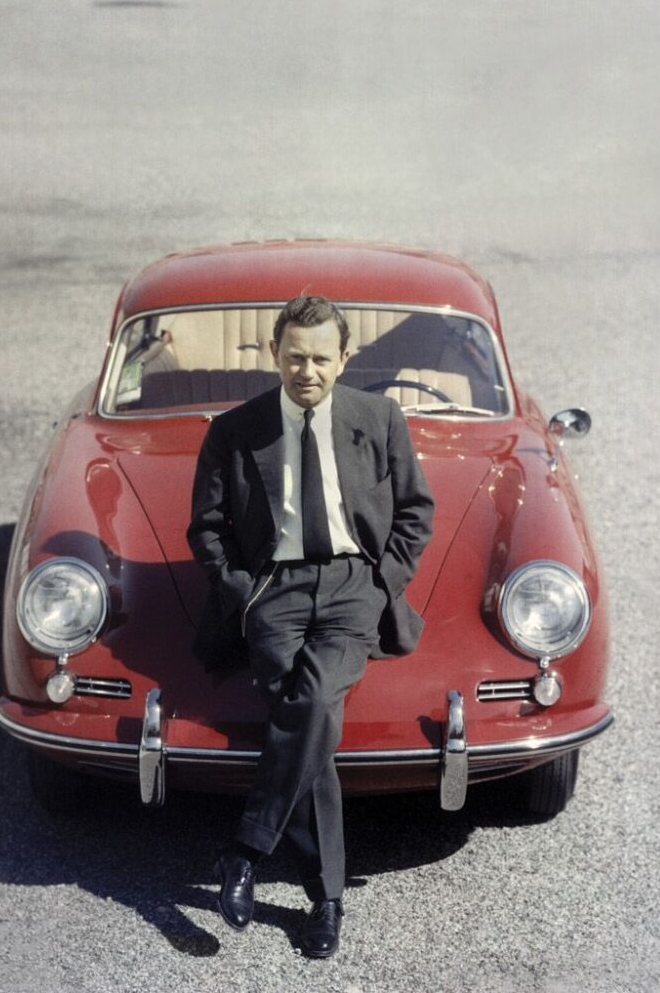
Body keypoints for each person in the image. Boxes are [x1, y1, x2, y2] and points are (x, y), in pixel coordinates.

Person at [187, 295, 434, 958]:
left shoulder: (378, 417)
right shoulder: (235, 429)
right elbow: (206, 530)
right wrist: (240, 592)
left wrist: (385, 583)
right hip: (274, 589)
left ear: (344, 358)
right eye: (294, 356)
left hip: (354, 584)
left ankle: (245, 850)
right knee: (311, 727)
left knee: (317, 699)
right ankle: (326, 901)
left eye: (322, 358)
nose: (307, 371)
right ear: (274, 354)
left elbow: (416, 510)